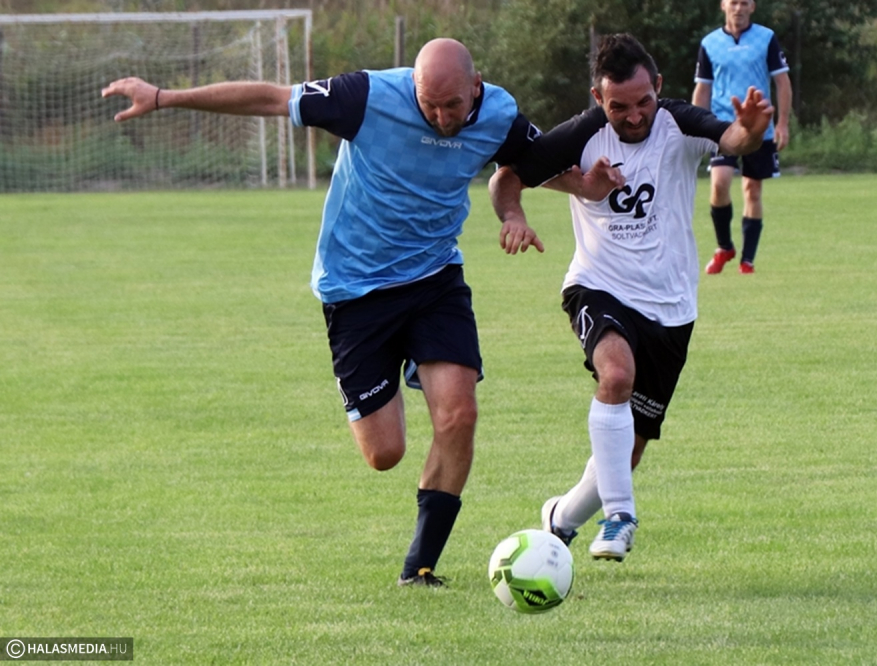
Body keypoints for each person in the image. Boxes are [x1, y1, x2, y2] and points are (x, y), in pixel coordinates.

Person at [102, 38, 545, 587]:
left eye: (450, 106)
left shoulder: (499, 112)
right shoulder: (365, 96)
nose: (438, 117)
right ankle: (405, 368)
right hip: (354, 290)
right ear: (413, 85)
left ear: (475, 87)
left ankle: (420, 567)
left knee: (459, 415)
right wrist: (165, 97)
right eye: (427, 104)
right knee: (385, 454)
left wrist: (566, 193)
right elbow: (270, 99)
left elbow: (535, 161)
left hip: (435, 280)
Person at [490, 33, 771, 561]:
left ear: (658, 87)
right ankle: (621, 514)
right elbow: (507, 177)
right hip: (598, 284)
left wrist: (752, 131)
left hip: (670, 307)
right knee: (616, 377)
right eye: (619, 106)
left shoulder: (677, 120)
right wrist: (514, 217)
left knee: (630, 445)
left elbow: (731, 139)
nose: (635, 115)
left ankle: (562, 518)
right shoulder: (581, 134)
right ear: (599, 98)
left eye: (643, 101)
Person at [693, 0, 792, 275]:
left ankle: (747, 261)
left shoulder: (766, 38)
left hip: (759, 128)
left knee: (752, 190)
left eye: (744, 2)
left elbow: (782, 82)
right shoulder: (710, 43)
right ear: (723, 5)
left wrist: (782, 123)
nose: (739, 8)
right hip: (722, 126)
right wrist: (697, 128)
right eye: (733, 2)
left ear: (753, 7)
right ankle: (724, 246)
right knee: (719, 184)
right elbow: (702, 90)